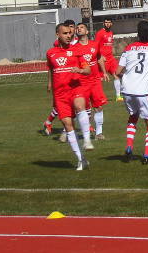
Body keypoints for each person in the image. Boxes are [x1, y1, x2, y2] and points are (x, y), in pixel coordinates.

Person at [46, 23, 93, 170]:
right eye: (65, 33)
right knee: (68, 125)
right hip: (60, 95)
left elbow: (88, 70)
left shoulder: (77, 50)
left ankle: (87, 141)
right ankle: (81, 160)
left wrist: (79, 70)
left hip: (75, 88)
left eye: (70, 33)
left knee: (80, 106)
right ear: (57, 34)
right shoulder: (50, 53)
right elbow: (51, 70)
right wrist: (50, 84)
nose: (69, 35)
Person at [117, 20, 148, 164]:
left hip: (127, 91)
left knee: (133, 116)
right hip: (143, 92)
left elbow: (117, 72)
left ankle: (129, 146)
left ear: (138, 33)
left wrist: (126, 79)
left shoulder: (128, 48)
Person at [42, 19, 79, 138]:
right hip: (60, 84)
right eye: (67, 30)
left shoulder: (77, 44)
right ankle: (60, 128)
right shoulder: (55, 47)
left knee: (77, 106)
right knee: (61, 107)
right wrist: (50, 82)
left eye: (72, 28)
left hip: (74, 82)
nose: (70, 32)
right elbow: (52, 66)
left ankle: (70, 129)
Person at [75, 22, 108, 140]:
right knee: (82, 109)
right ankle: (86, 131)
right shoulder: (74, 48)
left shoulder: (95, 44)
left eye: (81, 27)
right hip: (81, 82)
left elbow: (99, 58)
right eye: (77, 28)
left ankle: (99, 133)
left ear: (87, 31)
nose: (79, 29)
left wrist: (104, 72)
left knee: (98, 107)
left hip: (95, 81)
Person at [95, 17, 122, 101]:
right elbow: (96, 46)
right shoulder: (100, 33)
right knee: (101, 79)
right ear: (103, 23)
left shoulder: (111, 33)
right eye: (106, 22)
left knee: (116, 74)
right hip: (103, 60)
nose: (107, 24)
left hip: (111, 58)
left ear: (111, 23)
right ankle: (98, 97)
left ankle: (118, 96)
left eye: (109, 22)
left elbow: (109, 45)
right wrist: (100, 56)